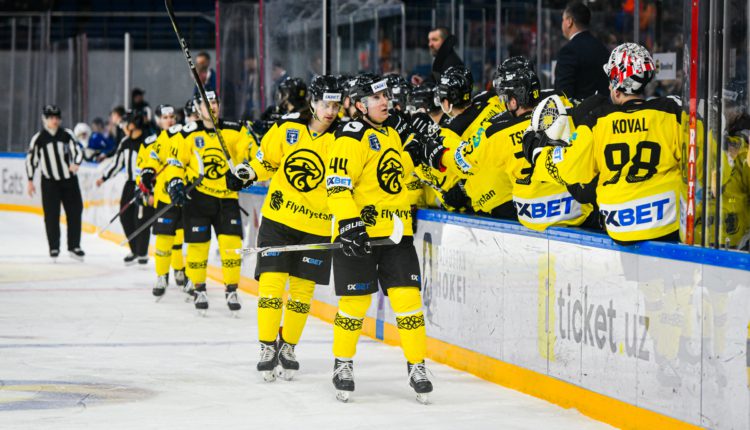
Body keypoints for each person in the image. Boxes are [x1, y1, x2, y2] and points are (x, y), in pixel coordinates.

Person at [326, 74, 432, 403]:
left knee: (409, 302)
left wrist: (414, 152)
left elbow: (392, 175)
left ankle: (417, 366)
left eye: (385, 95)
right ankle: (342, 364)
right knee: (355, 304)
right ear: (360, 105)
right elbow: (337, 186)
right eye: (376, 98)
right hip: (359, 236)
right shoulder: (351, 136)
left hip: (396, 233)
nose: (385, 101)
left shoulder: (390, 134)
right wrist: (350, 224)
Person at [524, 43, 681, 244]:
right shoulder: (671, 111)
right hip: (668, 222)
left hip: (619, 225)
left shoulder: (597, 120)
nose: (608, 87)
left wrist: (540, 155)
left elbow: (570, 169)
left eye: (610, 82)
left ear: (617, 89)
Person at [247, 75, 343, 381]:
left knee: (302, 293)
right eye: (325, 104)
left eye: (336, 105)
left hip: (317, 226)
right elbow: (266, 162)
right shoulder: (288, 128)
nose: (331, 111)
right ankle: (267, 346)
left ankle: (288, 346)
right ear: (313, 102)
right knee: (271, 285)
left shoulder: (344, 138)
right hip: (278, 220)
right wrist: (247, 172)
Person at [163, 91, 257, 315]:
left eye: (214, 102)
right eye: (207, 103)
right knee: (198, 247)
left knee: (231, 247)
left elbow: (255, 153)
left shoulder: (235, 130)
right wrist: (175, 182)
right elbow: (176, 163)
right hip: (198, 198)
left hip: (227, 199)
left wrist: (248, 167)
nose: (212, 106)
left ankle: (231, 290)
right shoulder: (187, 133)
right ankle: (199, 289)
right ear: (198, 108)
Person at [136, 103, 188, 298]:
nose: (170, 120)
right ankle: (162, 275)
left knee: (179, 239)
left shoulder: (184, 136)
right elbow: (141, 169)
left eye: (172, 117)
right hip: (163, 197)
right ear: (158, 120)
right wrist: (144, 190)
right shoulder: (150, 143)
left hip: (182, 195)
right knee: (164, 238)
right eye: (165, 117)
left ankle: (180, 270)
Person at [25, 105, 85, 261]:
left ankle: (74, 246)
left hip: (69, 181)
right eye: (51, 117)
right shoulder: (39, 139)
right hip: (49, 183)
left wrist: (76, 163)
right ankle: (54, 247)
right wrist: (30, 180)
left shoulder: (67, 134)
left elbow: (78, 151)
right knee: (51, 215)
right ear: (45, 119)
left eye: (57, 117)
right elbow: (31, 160)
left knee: (75, 211)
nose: (55, 120)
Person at [96, 109, 153, 265]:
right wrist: (104, 177)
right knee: (125, 216)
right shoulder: (125, 142)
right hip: (130, 184)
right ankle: (134, 250)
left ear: (133, 125)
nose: (122, 127)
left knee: (141, 218)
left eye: (125, 124)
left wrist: (150, 186)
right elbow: (117, 163)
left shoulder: (148, 141)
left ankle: (142, 253)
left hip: (145, 184)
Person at [554, 1, 610, 100]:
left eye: (563, 19)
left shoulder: (568, 51)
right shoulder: (602, 48)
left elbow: (563, 93)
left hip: (578, 109)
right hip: (604, 107)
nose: (562, 23)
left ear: (569, 21)